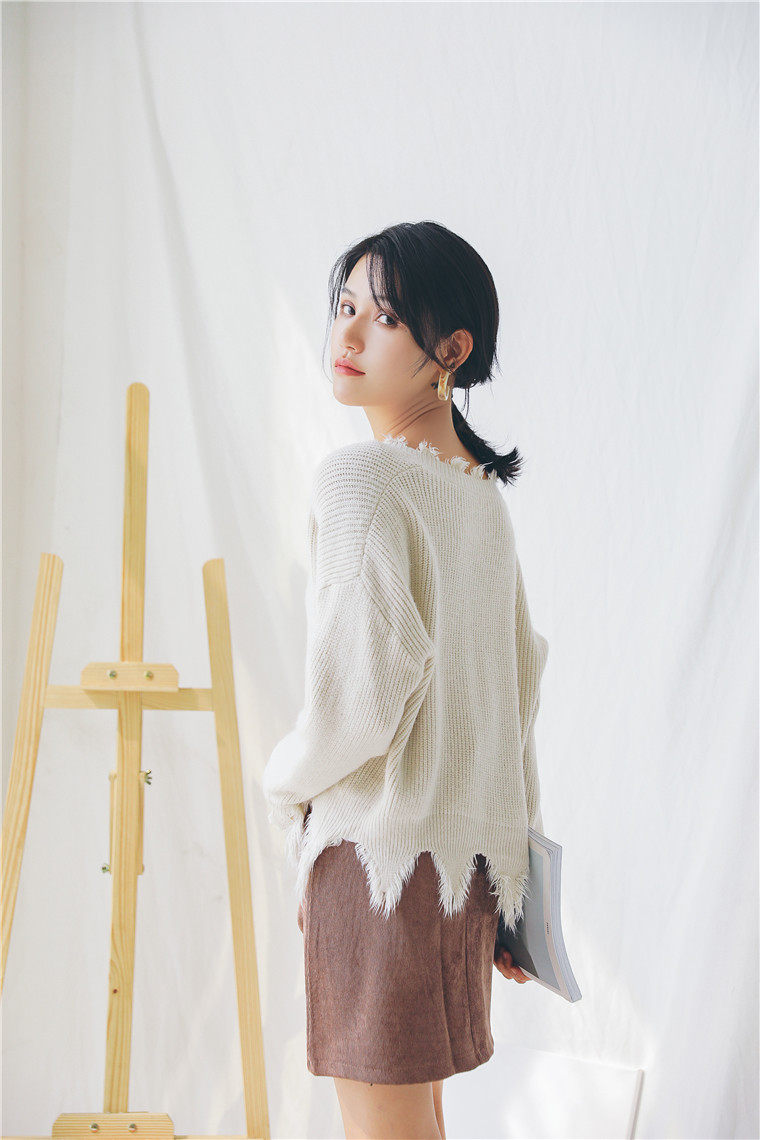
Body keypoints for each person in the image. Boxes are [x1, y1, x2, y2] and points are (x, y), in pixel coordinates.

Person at [263, 221, 549, 1140]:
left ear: (450, 351)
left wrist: (281, 782)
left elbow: (357, 706)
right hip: (466, 875)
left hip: (379, 866)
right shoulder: (479, 501)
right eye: (344, 307)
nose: (346, 336)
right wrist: (517, 882)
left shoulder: (364, 482)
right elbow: (514, 703)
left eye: (384, 319)